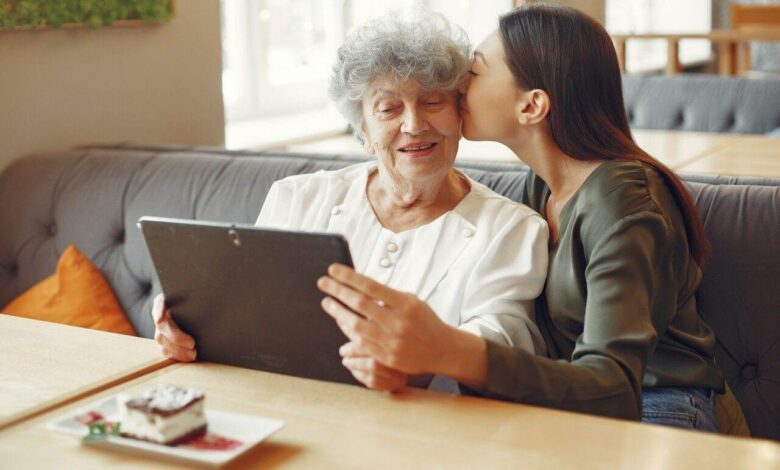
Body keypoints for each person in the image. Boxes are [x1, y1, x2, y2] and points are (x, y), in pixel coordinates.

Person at [318, 4, 732, 432]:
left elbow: (614, 389)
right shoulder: (545, 186)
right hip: (575, 407)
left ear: (531, 106)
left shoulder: (624, 200)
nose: (458, 85)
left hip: (659, 412)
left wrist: (447, 349)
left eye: (473, 72)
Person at [152, 13, 549, 390]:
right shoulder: (297, 199)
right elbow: (244, 310)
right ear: (364, 130)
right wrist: (190, 326)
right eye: (388, 108)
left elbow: (503, 343)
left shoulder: (511, 228)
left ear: (459, 115)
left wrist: (421, 364)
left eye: (433, 102)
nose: (414, 125)